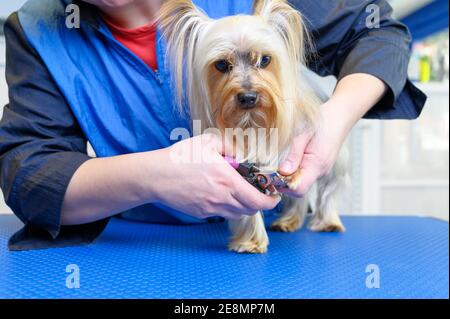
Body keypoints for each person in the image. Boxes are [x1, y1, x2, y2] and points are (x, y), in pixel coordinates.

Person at [0, 0, 426, 250]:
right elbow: (29, 174)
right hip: (137, 247)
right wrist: (150, 177)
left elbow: (377, 34)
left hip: (280, 249)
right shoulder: (38, 30)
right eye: (222, 66)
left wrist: (332, 118)